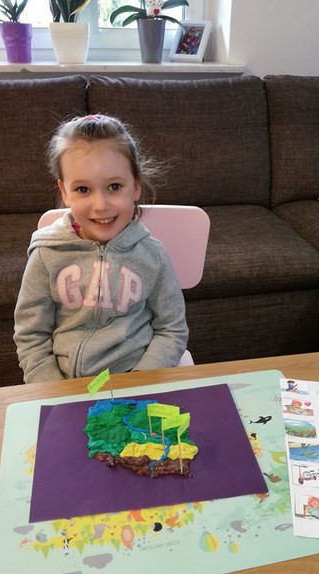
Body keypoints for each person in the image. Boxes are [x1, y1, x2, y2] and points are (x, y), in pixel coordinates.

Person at [14, 114, 188, 383]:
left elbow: (172, 330)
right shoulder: (46, 254)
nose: (101, 205)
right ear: (64, 192)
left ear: (136, 186)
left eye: (114, 186)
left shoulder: (154, 255)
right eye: (83, 189)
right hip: (64, 384)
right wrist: (52, 388)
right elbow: (31, 335)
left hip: (136, 379)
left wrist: (141, 379)